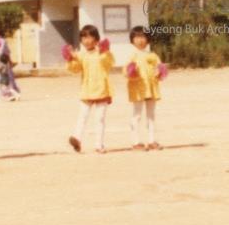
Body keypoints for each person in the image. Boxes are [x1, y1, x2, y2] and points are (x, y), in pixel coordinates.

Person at [65, 25, 114, 153]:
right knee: (82, 115)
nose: (86, 40)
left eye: (90, 37)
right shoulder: (80, 55)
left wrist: (105, 52)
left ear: (96, 38)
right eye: (83, 37)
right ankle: (77, 138)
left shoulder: (102, 52)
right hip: (87, 89)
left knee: (100, 118)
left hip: (102, 89)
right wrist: (70, 58)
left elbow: (109, 64)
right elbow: (75, 69)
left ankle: (99, 145)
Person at [126, 26, 164, 150]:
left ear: (148, 39)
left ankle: (152, 140)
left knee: (151, 115)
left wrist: (159, 72)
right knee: (137, 115)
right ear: (132, 40)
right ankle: (135, 141)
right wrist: (131, 71)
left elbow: (160, 69)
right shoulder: (132, 56)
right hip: (138, 89)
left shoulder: (153, 55)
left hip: (151, 89)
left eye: (143, 37)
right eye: (137, 37)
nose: (140, 40)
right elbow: (126, 71)